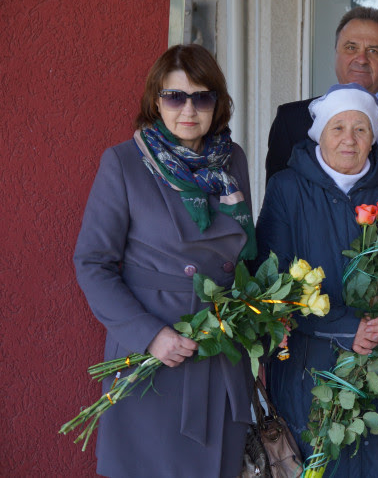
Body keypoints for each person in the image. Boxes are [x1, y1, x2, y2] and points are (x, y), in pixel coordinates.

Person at [73, 44, 256, 478]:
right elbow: (92, 263)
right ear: (156, 101)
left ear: (218, 103)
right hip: (152, 359)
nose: (188, 109)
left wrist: (262, 314)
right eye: (175, 96)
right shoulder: (123, 163)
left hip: (219, 353)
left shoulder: (232, 161)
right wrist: (150, 335)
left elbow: (247, 251)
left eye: (202, 96)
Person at [256, 83, 378, 476]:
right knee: (322, 460)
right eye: (338, 128)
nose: (349, 140)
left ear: (374, 138)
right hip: (312, 369)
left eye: (361, 129)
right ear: (320, 134)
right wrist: (346, 328)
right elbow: (271, 280)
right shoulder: (286, 189)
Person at [265, 6, 378, 195]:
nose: (361, 59)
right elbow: (276, 204)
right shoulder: (291, 120)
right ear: (336, 53)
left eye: (374, 51)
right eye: (351, 48)